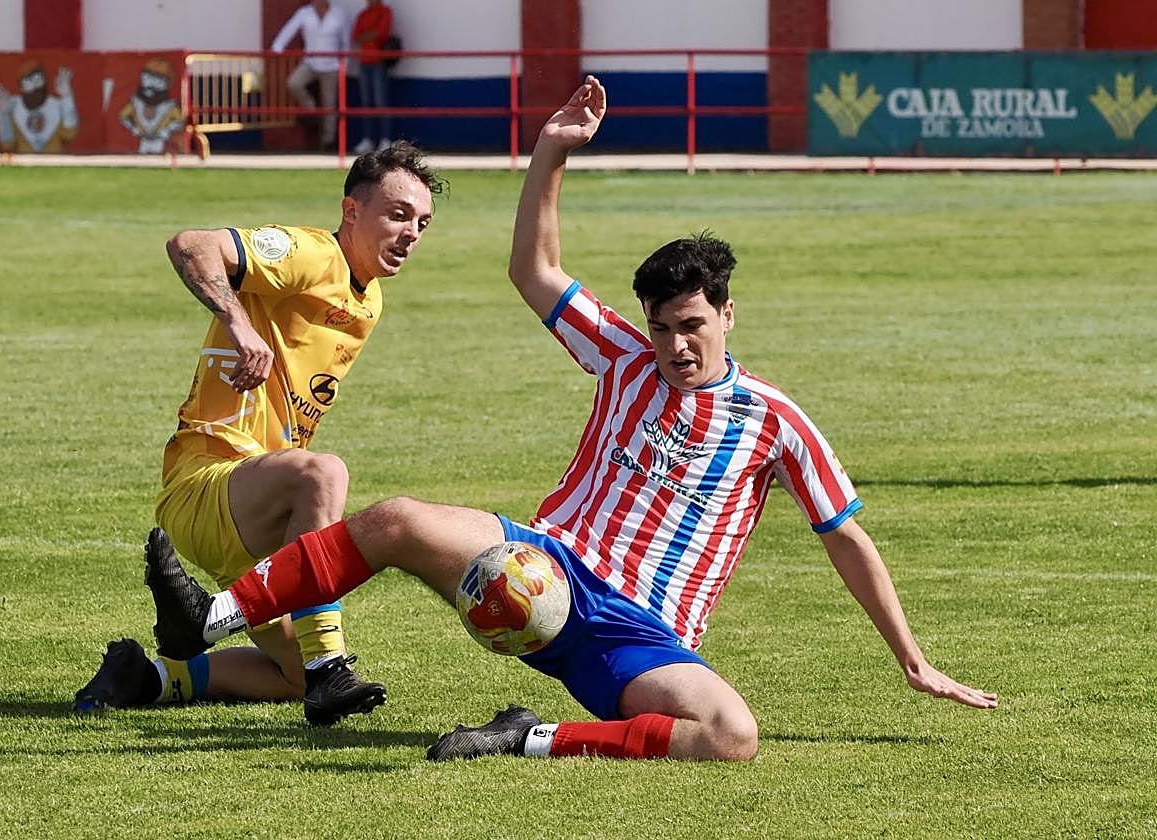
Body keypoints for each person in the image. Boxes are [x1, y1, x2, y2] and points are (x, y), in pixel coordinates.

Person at [143, 76, 997, 761]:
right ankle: (210, 619)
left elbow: (844, 535)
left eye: (691, 327)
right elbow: (535, 269)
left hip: (637, 634)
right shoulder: (624, 355)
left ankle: (529, 738)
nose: (673, 346)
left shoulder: (776, 422)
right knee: (395, 519)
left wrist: (913, 660)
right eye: (661, 328)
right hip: (540, 563)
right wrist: (552, 150)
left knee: (731, 734)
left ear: (727, 317)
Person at [73, 142, 445, 726]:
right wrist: (240, 325)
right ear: (352, 211)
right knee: (324, 473)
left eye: (421, 223)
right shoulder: (312, 253)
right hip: (206, 481)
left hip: (255, 509)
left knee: (286, 676)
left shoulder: (368, 299)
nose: (411, 233)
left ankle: (150, 675)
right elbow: (190, 244)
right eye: (397, 214)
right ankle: (329, 668)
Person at [271, 0, 351, 150]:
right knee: (293, 83)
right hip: (310, 62)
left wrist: (344, 66)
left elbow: (346, 42)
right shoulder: (305, 13)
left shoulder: (339, 14)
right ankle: (311, 110)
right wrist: (277, 47)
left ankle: (329, 141)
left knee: (329, 103)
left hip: (331, 65)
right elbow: (290, 28)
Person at [349, 0, 394, 154]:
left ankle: (386, 139)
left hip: (379, 62)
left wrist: (366, 35)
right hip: (364, 62)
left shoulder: (385, 11)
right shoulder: (363, 14)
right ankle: (368, 139)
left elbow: (382, 33)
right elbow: (355, 37)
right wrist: (370, 35)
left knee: (381, 102)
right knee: (366, 103)